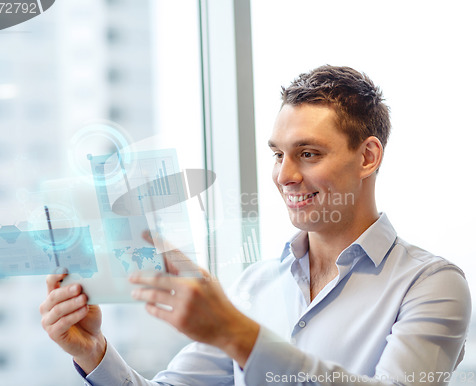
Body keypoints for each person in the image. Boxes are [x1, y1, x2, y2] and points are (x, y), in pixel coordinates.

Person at [40, 65, 471, 385]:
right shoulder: (256, 286)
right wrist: (94, 352)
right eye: (278, 154)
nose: (285, 175)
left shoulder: (431, 285)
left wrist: (236, 333)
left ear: (368, 157)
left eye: (308, 153)